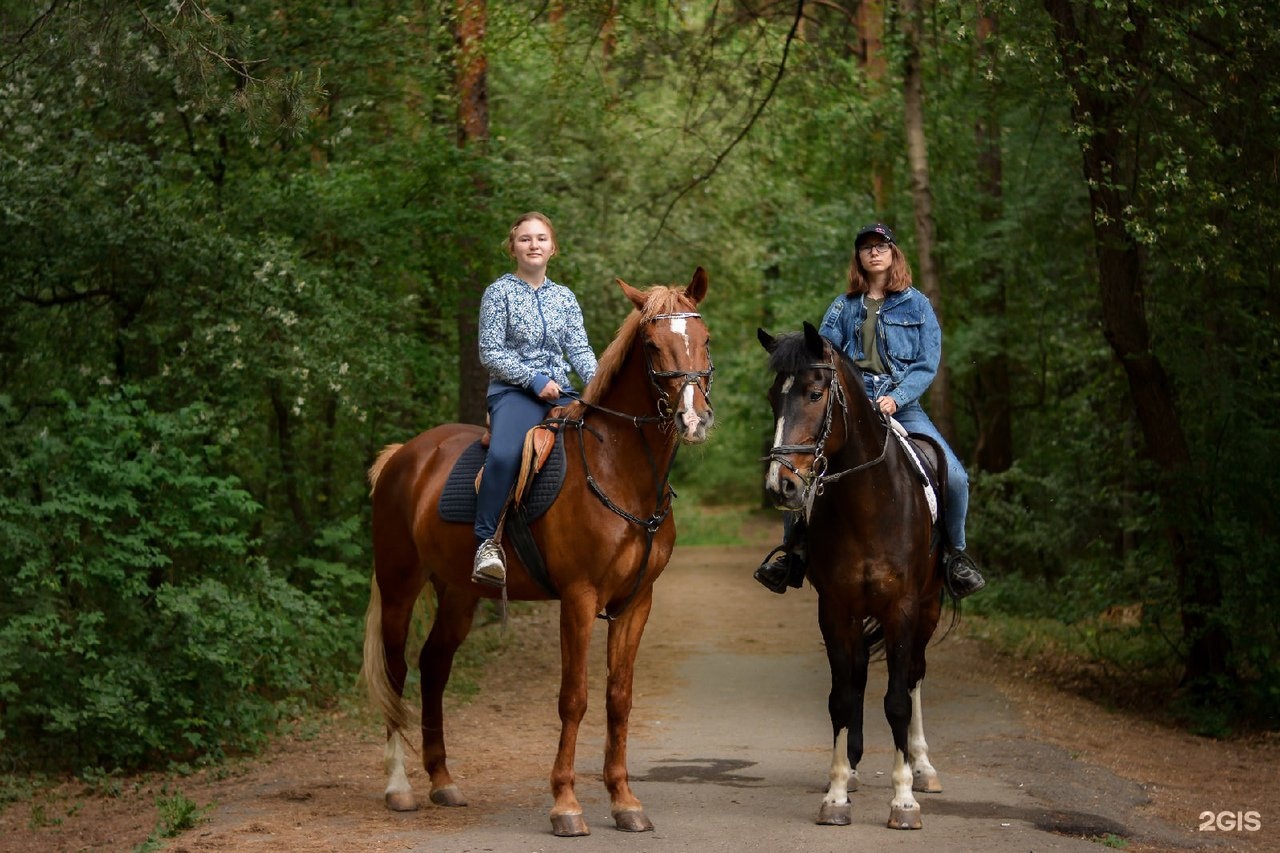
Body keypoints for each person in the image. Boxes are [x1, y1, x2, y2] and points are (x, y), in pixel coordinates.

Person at [754, 223, 986, 599]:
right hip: (850, 407)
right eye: (866, 248)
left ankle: (953, 556)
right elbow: (821, 355)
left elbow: (927, 363)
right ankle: (794, 552)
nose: (873, 252)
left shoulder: (918, 305)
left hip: (903, 407)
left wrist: (897, 397)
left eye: (881, 246)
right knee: (800, 462)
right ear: (858, 257)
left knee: (956, 478)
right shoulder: (843, 307)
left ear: (894, 253)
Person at [472, 212, 597, 587]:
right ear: (513, 247)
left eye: (541, 239)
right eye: (525, 239)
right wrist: (533, 378)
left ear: (553, 248)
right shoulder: (499, 293)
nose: (534, 245)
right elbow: (490, 351)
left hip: (563, 392)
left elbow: (580, 350)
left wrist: (600, 382)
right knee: (506, 454)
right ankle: (486, 544)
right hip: (514, 392)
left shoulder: (565, 297)